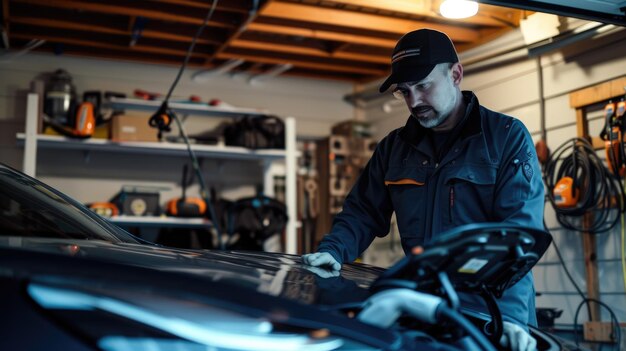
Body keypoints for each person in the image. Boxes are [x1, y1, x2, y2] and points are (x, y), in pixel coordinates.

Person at [302, 29, 544, 351]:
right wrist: (333, 250)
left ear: (456, 74)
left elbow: (517, 237)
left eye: (423, 86)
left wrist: (512, 319)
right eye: (404, 91)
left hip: (490, 319)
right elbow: (362, 213)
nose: (414, 101)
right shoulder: (394, 149)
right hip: (425, 314)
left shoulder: (505, 137)